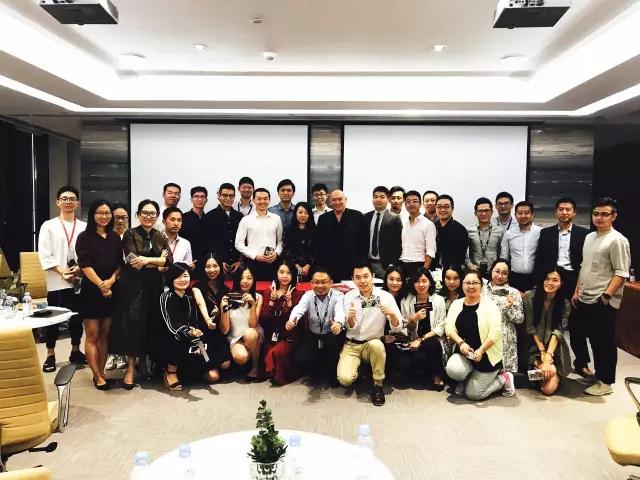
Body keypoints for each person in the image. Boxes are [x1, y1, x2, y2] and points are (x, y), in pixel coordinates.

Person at [110, 199, 172, 389]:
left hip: (155, 287)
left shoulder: (160, 235)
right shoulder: (130, 234)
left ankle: (144, 364)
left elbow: (169, 261)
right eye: (145, 213)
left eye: (152, 213)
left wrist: (146, 260)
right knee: (134, 326)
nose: (148, 216)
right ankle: (130, 369)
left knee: (151, 325)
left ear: (157, 216)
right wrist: (157, 260)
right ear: (138, 215)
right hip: (133, 288)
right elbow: (133, 260)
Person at [572, 197, 631, 396]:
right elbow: (584, 267)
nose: (599, 217)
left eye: (604, 214)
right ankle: (597, 376)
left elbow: (621, 272)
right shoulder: (590, 237)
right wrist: (577, 291)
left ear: (614, 216)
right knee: (587, 338)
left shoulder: (617, 240)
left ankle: (606, 382)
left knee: (604, 343)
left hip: (601, 300)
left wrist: (606, 296)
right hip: (584, 296)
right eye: (596, 214)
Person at [533, 197, 590, 377]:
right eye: (561, 209)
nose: (564, 212)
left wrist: (580, 287)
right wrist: (539, 283)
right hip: (551, 279)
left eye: (568, 209)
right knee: (548, 320)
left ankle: (581, 363)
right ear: (556, 212)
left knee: (577, 324)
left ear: (574, 212)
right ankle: (547, 357)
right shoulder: (546, 233)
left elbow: (587, 263)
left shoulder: (584, 234)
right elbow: (540, 259)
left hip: (573, 280)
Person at [335, 264, 404, 406]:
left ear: (373, 276)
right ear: (353, 279)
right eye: (358, 277)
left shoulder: (385, 297)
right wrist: (350, 319)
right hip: (352, 344)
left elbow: (398, 327)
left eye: (366, 276)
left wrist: (392, 315)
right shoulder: (348, 297)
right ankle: (361, 369)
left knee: (377, 345)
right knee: (345, 380)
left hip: (372, 344)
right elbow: (350, 327)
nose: (362, 281)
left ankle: (378, 385)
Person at [37, 185, 87, 373]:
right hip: (57, 281)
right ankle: (50, 355)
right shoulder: (48, 226)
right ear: (58, 202)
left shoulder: (83, 227)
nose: (68, 202)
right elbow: (45, 254)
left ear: (77, 203)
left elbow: (88, 253)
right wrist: (62, 272)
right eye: (64, 199)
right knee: (54, 320)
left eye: (72, 199)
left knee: (76, 319)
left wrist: (79, 269)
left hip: (78, 280)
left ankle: (75, 351)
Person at [75, 199, 123, 390]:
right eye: (100, 213)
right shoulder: (84, 237)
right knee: (92, 335)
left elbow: (119, 264)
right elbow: (84, 264)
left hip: (111, 291)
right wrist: (101, 285)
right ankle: (97, 376)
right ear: (92, 215)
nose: (105, 216)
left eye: (107, 213)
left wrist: (111, 281)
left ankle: (101, 372)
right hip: (91, 292)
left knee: (105, 335)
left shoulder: (114, 237)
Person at [445, 271, 515, 400]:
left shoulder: (490, 306)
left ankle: (503, 378)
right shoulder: (456, 304)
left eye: (475, 283)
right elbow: (449, 328)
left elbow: (495, 334)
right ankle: (468, 379)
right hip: (466, 352)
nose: (471, 286)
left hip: (487, 354)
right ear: (462, 285)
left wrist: (481, 350)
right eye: (467, 283)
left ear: (481, 286)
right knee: (453, 369)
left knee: (473, 394)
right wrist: (461, 343)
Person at [159, 263, 227, 390]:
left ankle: (190, 369)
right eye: (178, 277)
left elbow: (194, 321)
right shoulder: (166, 297)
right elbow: (172, 325)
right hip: (173, 339)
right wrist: (190, 332)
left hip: (191, 339)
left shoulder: (190, 296)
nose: (182, 280)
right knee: (175, 341)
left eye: (185, 276)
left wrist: (197, 339)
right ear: (171, 279)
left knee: (213, 376)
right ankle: (170, 372)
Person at [286, 268, 345, 386]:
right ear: (311, 283)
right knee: (301, 359)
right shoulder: (308, 296)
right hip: (313, 334)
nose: (320, 286)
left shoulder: (338, 295)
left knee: (334, 349)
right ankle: (316, 372)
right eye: (316, 282)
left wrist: (338, 323)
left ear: (331, 283)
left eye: (324, 282)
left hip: (331, 334)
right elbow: (299, 309)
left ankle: (332, 372)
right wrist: (292, 320)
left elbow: (340, 311)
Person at [524, 268, 572, 396]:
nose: (550, 283)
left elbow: (558, 332)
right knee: (546, 372)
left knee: (548, 390)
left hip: (553, 349)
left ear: (561, 283)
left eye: (555, 280)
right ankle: (543, 372)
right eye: (547, 279)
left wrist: (548, 357)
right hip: (533, 347)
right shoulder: (530, 296)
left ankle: (547, 373)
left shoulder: (565, 304)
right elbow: (530, 328)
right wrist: (542, 352)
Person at [400, 268, 447, 390]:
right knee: (406, 364)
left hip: (432, 339)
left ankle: (437, 376)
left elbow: (441, 327)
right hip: (412, 340)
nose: (421, 285)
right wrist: (413, 319)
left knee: (431, 344)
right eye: (417, 281)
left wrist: (421, 339)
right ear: (413, 283)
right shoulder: (406, 301)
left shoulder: (439, 300)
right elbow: (404, 328)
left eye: (424, 281)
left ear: (430, 282)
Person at [191, 252, 233, 383]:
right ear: (203, 269)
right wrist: (208, 319)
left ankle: (213, 365)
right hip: (201, 337)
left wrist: (221, 311)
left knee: (226, 364)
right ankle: (201, 367)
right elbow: (200, 303)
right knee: (213, 377)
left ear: (220, 267)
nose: (212, 270)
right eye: (208, 267)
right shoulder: (197, 287)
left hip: (218, 335)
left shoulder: (225, 290)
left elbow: (225, 328)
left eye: (215, 266)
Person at [261, 261, 304, 385]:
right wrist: (271, 302)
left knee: (276, 353)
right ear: (276, 273)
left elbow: (299, 324)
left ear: (293, 275)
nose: (284, 276)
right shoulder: (268, 292)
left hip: (288, 337)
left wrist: (290, 305)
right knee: (265, 352)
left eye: (288, 272)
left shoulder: (298, 295)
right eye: (281, 272)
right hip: (271, 336)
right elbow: (263, 320)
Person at [221, 266, 264, 380]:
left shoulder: (258, 297)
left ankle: (255, 367)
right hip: (235, 337)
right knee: (240, 357)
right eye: (241, 278)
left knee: (249, 333)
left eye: (249, 278)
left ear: (253, 280)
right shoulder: (227, 297)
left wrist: (253, 305)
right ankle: (254, 352)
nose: (245, 281)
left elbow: (253, 326)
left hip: (253, 333)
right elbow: (224, 330)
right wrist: (223, 309)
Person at [482, 259, 524, 373]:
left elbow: (520, 319)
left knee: (505, 374)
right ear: (491, 271)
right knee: (486, 371)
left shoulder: (514, 293)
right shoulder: (482, 291)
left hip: (506, 336)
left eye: (504, 273)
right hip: (485, 335)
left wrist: (509, 309)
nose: (500, 276)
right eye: (497, 271)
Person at [316, 190, 367, 282]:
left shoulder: (357, 216)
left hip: (352, 265)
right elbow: (320, 245)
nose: (337, 202)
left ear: (345, 200)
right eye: (334, 200)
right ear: (330, 201)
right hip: (329, 266)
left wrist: (362, 265)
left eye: (340, 199)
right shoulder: (323, 218)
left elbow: (363, 243)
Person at [235, 188, 283, 281]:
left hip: (272, 262)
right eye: (259, 199)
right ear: (253, 200)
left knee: (271, 288)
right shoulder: (246, 220)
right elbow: (238, 243)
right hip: (253, 262)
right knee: (253, 288)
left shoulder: (276, 219)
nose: (262, 201)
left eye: (265, 198)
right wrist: (254, 255)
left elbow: (280, 241)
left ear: (269, 200)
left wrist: (276, 253)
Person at [105, 204, 129, 372]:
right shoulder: (106, 236)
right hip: (108, 282)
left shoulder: (132, 235)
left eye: (123, 217)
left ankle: (122, 353)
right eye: (117, 217)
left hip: (128, 283)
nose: (120, 220)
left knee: (124, 320)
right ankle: (111, 353)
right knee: (109, 320)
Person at [205, 183, 244, 279]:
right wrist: (218, 262)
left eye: (231, 196)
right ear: (219, 196)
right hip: (217, 266)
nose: (228, 198)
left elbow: (244, 240)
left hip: (237, 265)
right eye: (225, 195)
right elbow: (208, 243)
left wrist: (240, 261)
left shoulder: (239, 216)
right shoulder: (209, 216)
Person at [500, 200, 541, 292]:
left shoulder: (540, 232)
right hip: (514, 278)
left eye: (526, 213)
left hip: (535, 278)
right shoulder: (509, 234)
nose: (523, 216)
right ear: (515, 215)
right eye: (520, 213)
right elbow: (504, 257)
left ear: (532, 215)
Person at [364, 186, 402, 278]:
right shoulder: (366, 217)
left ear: (388, 199)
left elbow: (397, 244)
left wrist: (392, 264)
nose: (378, 200)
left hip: (385, 266)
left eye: (382, 197)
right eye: (375, 197)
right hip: (367, 264)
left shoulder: (394, 218)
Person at [399, 190, 437, 280]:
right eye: (408, 202)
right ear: (405, 205)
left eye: (415, 201)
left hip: (419, 265)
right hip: (402, 265)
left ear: (420, 204)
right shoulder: (403, 223)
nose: (411, 204)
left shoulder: (428, 224)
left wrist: (424, 271)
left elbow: (431, 250)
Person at [467, 197, 503, 279]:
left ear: (492, 212)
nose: (483, 214)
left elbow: (502, 252)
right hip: (474, 271)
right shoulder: (469, 230)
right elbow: (464, 251)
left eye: (486, 211)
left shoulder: (499, 231)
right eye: (480, 211)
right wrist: (469, 265)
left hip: (494, 273)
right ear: (475, 213)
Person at [283, 202, 317, 281]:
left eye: (306, 213)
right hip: (292, 267)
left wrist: (308, 266)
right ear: (295, 213)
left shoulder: (315, 230)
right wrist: (297, 266)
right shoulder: (289, 230)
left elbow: (316, 250)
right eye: (300, 212)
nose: (303, 215)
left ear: (309, 215)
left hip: (312, 268)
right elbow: (287, 249)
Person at [435, 194, 468, 270]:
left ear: (452, 209)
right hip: (433, 270)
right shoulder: (432, 226)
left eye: (446, 207)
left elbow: (460, 256)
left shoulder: (460, 229)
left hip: (452, 271)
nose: (442, 210)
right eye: (439, 207)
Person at [180, 186, 208, 267]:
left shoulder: (210, 218)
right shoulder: (183, 218)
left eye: (202, 197)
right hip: (188, 261)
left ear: (206, 200)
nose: (200, 199)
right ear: (191, 199)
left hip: (207, 262)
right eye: (196, 196)